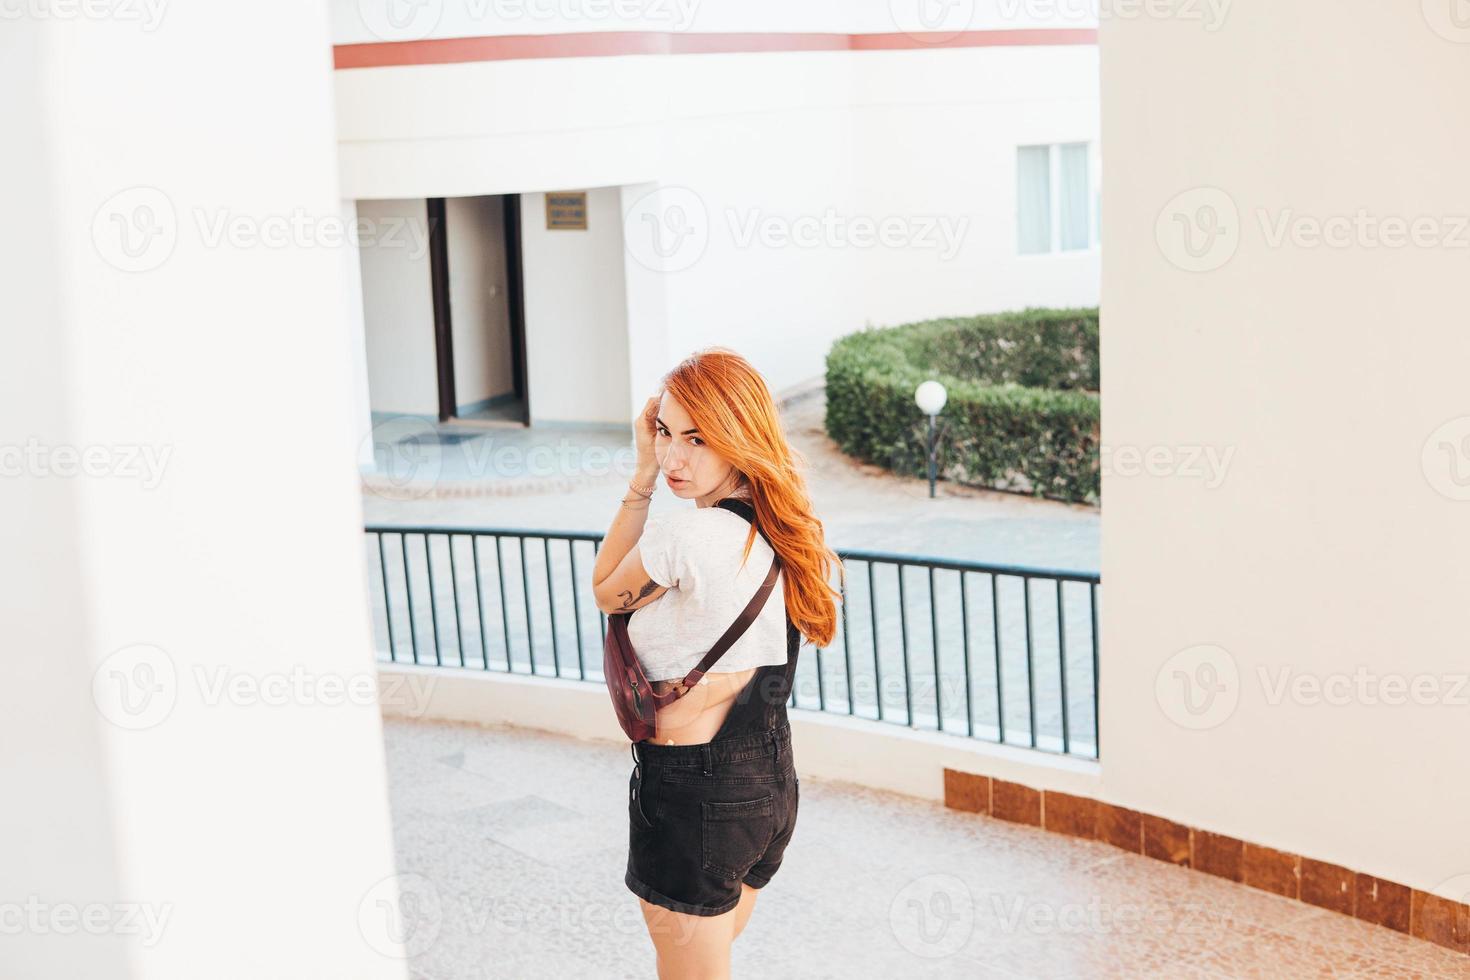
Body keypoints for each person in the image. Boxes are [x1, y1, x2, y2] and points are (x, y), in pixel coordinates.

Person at [592, 348, 842, 979]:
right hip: (768, 785)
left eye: (697, 439)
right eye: (665, 434)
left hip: (691, 796)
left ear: (738, 436)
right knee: (710, 959)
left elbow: (604, 590)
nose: (675, 457)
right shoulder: (785, 530)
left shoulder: (686, 536)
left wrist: (641, 475)